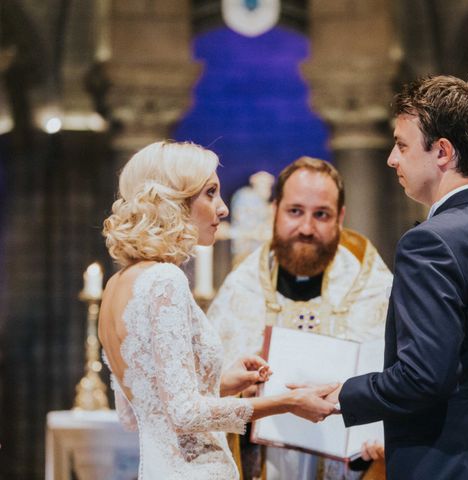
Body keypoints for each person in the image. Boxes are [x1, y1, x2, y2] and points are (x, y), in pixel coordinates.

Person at [326, 75, 468, 479]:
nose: (391, 159)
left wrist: (342, 396)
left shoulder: (429, 243)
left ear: (443, 152)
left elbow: (423, 377)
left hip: (456, 461)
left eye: (401, 145)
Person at [98, 141, 337, 480]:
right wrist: (289, 403)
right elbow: (183, 415)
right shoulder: (166, 280)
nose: (223, 209)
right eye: (210, 193)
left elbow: (137, 413)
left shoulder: (117, 285)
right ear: (174, 200)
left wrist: (222, 383)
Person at [207, 157, 392, 480]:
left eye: (321, 215)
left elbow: (399, 387)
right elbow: (207, 394)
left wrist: (378, 444)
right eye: (295, 212)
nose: (306, 228)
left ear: (340, 218)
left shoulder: (373, 289)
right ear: (274, 210)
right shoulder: (243, 289)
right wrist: (245, 398)